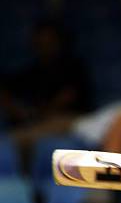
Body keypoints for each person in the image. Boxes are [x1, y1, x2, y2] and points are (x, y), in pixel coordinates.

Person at [0, 21, 89, 170]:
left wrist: (39, 113)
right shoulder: (34, 70)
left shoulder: (73, 66)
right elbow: (6, 88)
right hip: (37, 124)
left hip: (69, 121)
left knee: (22, 138)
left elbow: (68, 97)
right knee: (16, 142)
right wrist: (17, 110)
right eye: (40, 42)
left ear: (58, 41)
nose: (45, 45)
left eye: (49, 40)